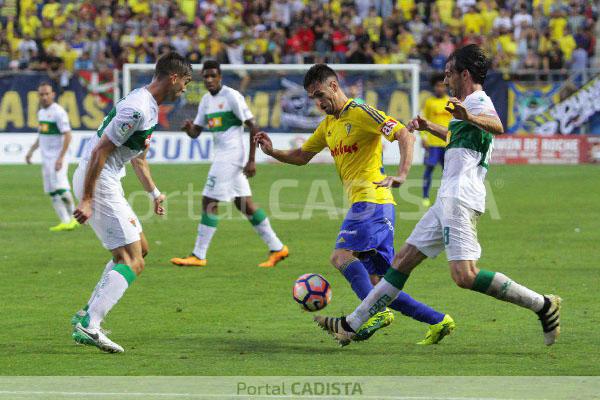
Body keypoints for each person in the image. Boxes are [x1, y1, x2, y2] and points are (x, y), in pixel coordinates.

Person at [314, 45, 561, 347]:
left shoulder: (478, 100)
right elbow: (461, 136)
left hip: (461, 197)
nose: (445, 80)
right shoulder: (465, 106)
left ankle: (543, 306)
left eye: (449, 74)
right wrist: (430, 126)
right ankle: (351, 324)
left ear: (465, 74)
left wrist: (468, 114)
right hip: (447, 197)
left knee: (465, 275)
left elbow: (497, 126)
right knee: (401, 262)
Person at [255, 64, 455, 346]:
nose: (319, 102)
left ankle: (374, 315)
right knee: (379, 286)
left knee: (340, 256)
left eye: (321, 94)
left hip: (370, 201)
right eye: (314, 97)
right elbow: (301, 155)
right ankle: (438, 320)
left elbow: (404, 134)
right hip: (375, 207)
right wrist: (272, 150)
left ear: (334, 86)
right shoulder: (328, 126)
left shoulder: (360, 112)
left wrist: (402, 173)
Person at [70, 52, 192, 353]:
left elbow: (137, 158)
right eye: (186, 82)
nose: (185, 90)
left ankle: (87, 313)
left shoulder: (146, 105)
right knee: (132, 260)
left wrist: (154, 193)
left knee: (141, 249)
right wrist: (87, 199)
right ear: (174, 77)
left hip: (106, 180)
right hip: (98, 182)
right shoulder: (137, 109)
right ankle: (91, 323)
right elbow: (100, 152)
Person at [170, 60, 288, 268]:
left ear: (220, 77)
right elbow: (196, 132)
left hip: (232, 156)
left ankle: (198, 254)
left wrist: (252, 159)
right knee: (244, 204)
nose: (209, 80)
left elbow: (253, 126)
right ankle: (278, 248)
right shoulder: (206, 100)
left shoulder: (232, 96)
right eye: (205, 76)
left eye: (213, 75)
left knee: (209, 202)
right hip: (223, 156)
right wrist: (188, 129)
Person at [25, 82, 78, 232]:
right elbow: (41, 135)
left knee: (60, 187)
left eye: (47, 94)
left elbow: (67, 135)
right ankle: (64, 220)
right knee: (51, 190)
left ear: (53, 94)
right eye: (41, 94)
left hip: (57, 156)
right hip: (46, 158)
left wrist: (61, 157)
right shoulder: (41, 112)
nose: (44, 97)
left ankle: (75, 217)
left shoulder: (58, 112)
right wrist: (31, 151)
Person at [420, 74, 451, 207]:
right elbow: (423, 120)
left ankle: (447, 196)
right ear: (434, 87)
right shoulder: (429, 102)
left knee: (448, 171)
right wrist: (423, 137)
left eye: (442, 85)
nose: (440, 88)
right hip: (433, 143)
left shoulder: (450, 101)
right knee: (429, 168)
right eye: (438, 86)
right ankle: (425, 196)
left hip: (448, 143)